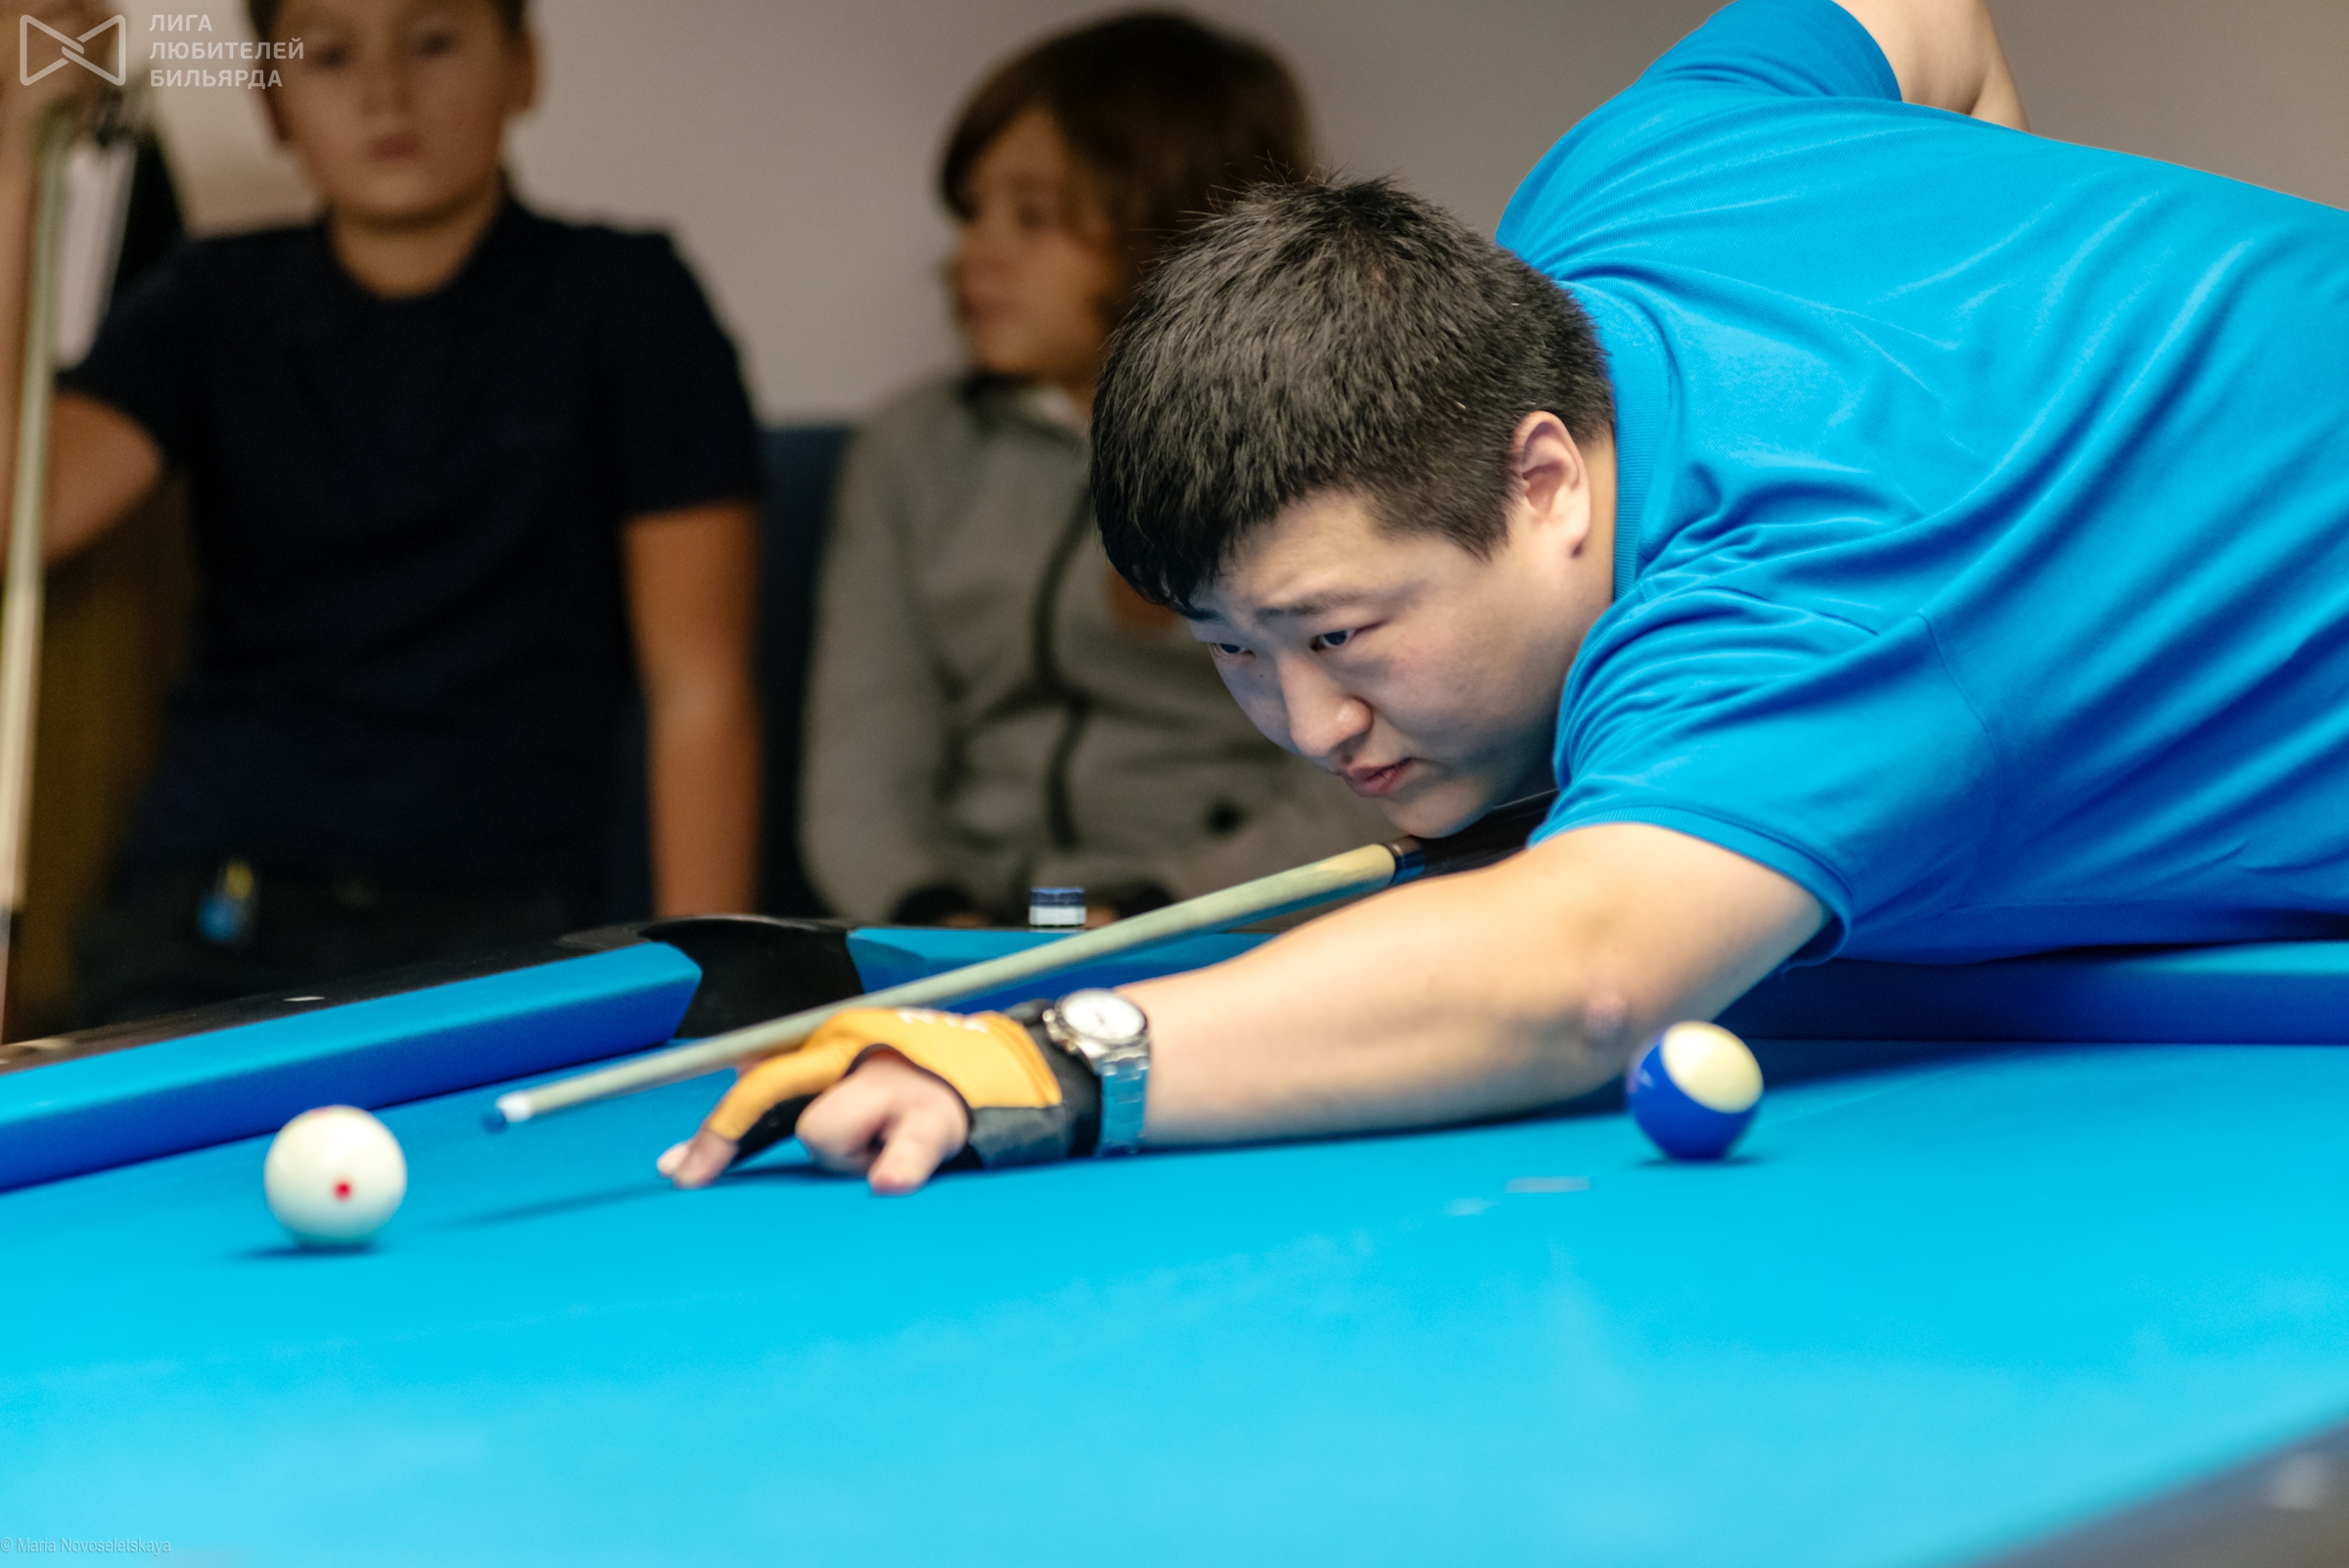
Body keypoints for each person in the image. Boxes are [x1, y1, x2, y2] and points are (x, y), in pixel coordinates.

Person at [659, 0, 2347, 1194]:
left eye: (1341, 636)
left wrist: (1053, 1052)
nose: (1309, 722)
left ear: (1544, 480)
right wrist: (2072, 412)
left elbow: (1585, 974)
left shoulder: (1806, 613)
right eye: (1235, 652)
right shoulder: (1629, 181)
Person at [0, 0, 763, 1023]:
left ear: (523, 67)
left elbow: (698, 691)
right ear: (272, 102)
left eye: (433, 41)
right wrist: (13, 152)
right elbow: (21, 515)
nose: (385, 94)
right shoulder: (211, 300)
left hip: (502, 913)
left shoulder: (628, 303)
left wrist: (716, 991)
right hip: (215, 906)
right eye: (328, 55)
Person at [801, 10, 1387, 930]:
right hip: (962, 923)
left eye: (1034, 216)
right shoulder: (914, 448)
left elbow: (1370, 769)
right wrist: (930, 915)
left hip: (1225, 921)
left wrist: (1152, 912)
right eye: (972, 212)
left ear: (1173, 225)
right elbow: (862, 757)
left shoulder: (1328, 444)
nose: (972, 255)